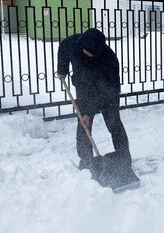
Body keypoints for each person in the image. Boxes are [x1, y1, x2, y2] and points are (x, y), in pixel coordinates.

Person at [56, 28, 132, 170]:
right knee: (84, 126)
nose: (88, 56)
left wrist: (89, 113)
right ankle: (86, 161)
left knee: (114, 123)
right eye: (86, 53)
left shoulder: (109, 61)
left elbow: (109, 91)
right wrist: (62, 70)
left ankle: (124, 158)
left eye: (92, 55)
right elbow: (64, 48)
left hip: (107, 94)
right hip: (84, 90)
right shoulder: (74, 43)